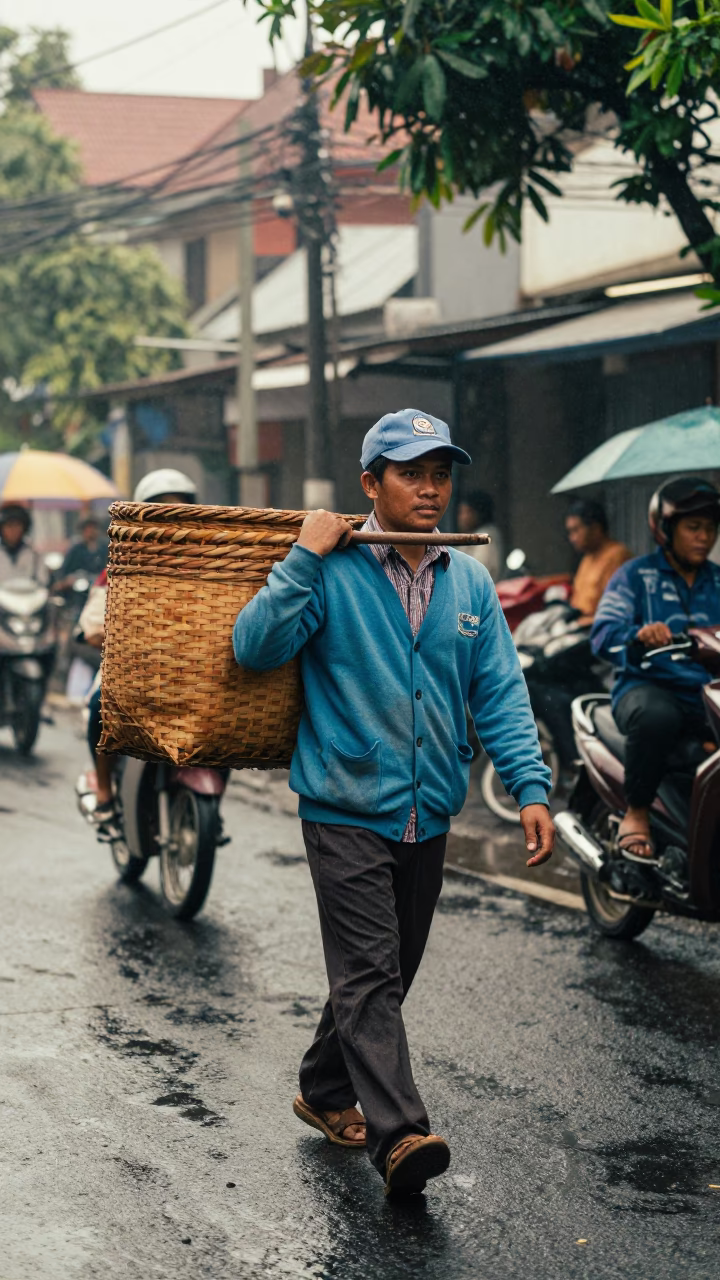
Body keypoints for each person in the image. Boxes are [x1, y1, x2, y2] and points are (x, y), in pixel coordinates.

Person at [232, 408, 554, 1196]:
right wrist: (302, 557)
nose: (430, 489)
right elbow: (255, 646)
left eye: (440, 474)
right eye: (411, 473)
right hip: (343, 801)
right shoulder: (331, 569)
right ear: (371, 484)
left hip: (430, 805)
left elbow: (500, 694)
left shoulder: (468, 578)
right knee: (371, 971)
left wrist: (531, 786)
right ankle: (400, 1134)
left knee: (389, 968)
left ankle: (322, 1084)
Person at [591, 476, 720, 861]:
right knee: (656, 718)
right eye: (693, 527)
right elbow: (603, 635)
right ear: (666, 529)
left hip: (708, 693)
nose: (703, 537)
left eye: (710, 529)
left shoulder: (718, 580)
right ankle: (637, 812)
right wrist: (638, 635)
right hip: (646, 687)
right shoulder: (635, 576)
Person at [83, 469, 197, 834]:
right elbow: (91, 618)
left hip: (189, 671)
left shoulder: (205, 562)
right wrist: (101, 631)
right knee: (99, 705)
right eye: (161, 510)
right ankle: (104, 790)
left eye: (177, 511)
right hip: (131, 670)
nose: (169, 520)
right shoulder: (121, 562)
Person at [565, 498, 632, 624]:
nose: (572, 538)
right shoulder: (587, 558)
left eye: (576, 530)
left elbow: (615, 608)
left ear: (596, 528)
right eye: (570, 532)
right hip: (576, 625)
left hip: (597, 628)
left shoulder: (617, 556)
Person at [456, 490, 505, 581]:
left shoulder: (486, 537)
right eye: (461, 512)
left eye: (468, 512)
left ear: (480, 514)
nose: (462, 517)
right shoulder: (470, 536)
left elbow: (475, 573)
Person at [55, 515, 108, 593]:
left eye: (94, 529)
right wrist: (68, 579)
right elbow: (65, 569)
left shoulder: (105, 549)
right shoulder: (76, 549)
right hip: (79, 584)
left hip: (100, 584)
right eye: (88, 529)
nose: (91, 532)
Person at [0, 505, 50, 586]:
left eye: (17, 525)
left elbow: (42, 581)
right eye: (9, 526)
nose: (13, 530)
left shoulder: (35, 555)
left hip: (29, 596)